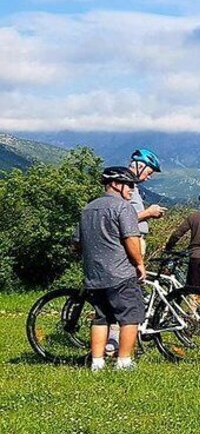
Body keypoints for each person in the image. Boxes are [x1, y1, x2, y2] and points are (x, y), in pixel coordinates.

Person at [76, 167, 146, 372]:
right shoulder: (123, 208)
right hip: (120, 273)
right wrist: (139, 263)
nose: (132, 189)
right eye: (130, 185)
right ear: (116, 184)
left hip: (94, 274)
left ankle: (97, 363)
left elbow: (76, 243)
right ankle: (123, 362)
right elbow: (131, 239)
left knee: (100, 317)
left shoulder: (87, 209)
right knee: (130, 315)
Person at [127, 148, 167, 257]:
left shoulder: (133, 188)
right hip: (130, 241)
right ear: (140, 167)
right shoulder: (124, 188)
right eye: (149, 173)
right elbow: (121, 220)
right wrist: (149, 212)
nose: (149, 177)